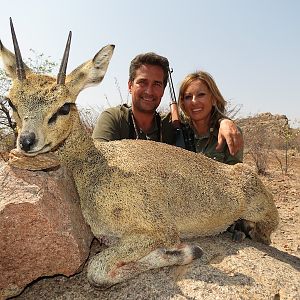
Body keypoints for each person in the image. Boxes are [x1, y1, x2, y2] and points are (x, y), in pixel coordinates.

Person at [92, 52, 243, 155]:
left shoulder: (170, 124)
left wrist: (224, 121)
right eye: (142, 82)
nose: (149, 91)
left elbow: (201, 116)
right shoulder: (113, 119)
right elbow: (97, 162)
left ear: (163, 90)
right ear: (130, 86)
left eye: (157, 84)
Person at [178, 71, 243, 164]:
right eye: (188, 97)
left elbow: (234, 174)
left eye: (201, 95)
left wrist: (224, 121)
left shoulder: (229, 132)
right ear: (183, 102)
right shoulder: (176, 129)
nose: (194, 102)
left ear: (213, 99)